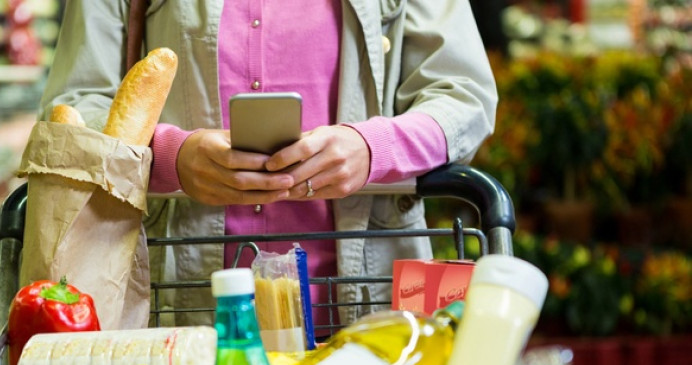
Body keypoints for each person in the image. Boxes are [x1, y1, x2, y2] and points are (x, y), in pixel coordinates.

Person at [39, 0, 498, 327]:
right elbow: (74, 105)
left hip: (367, 299)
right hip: (178, 300)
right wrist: (169, 156)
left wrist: (374, 148)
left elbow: (465, 97)